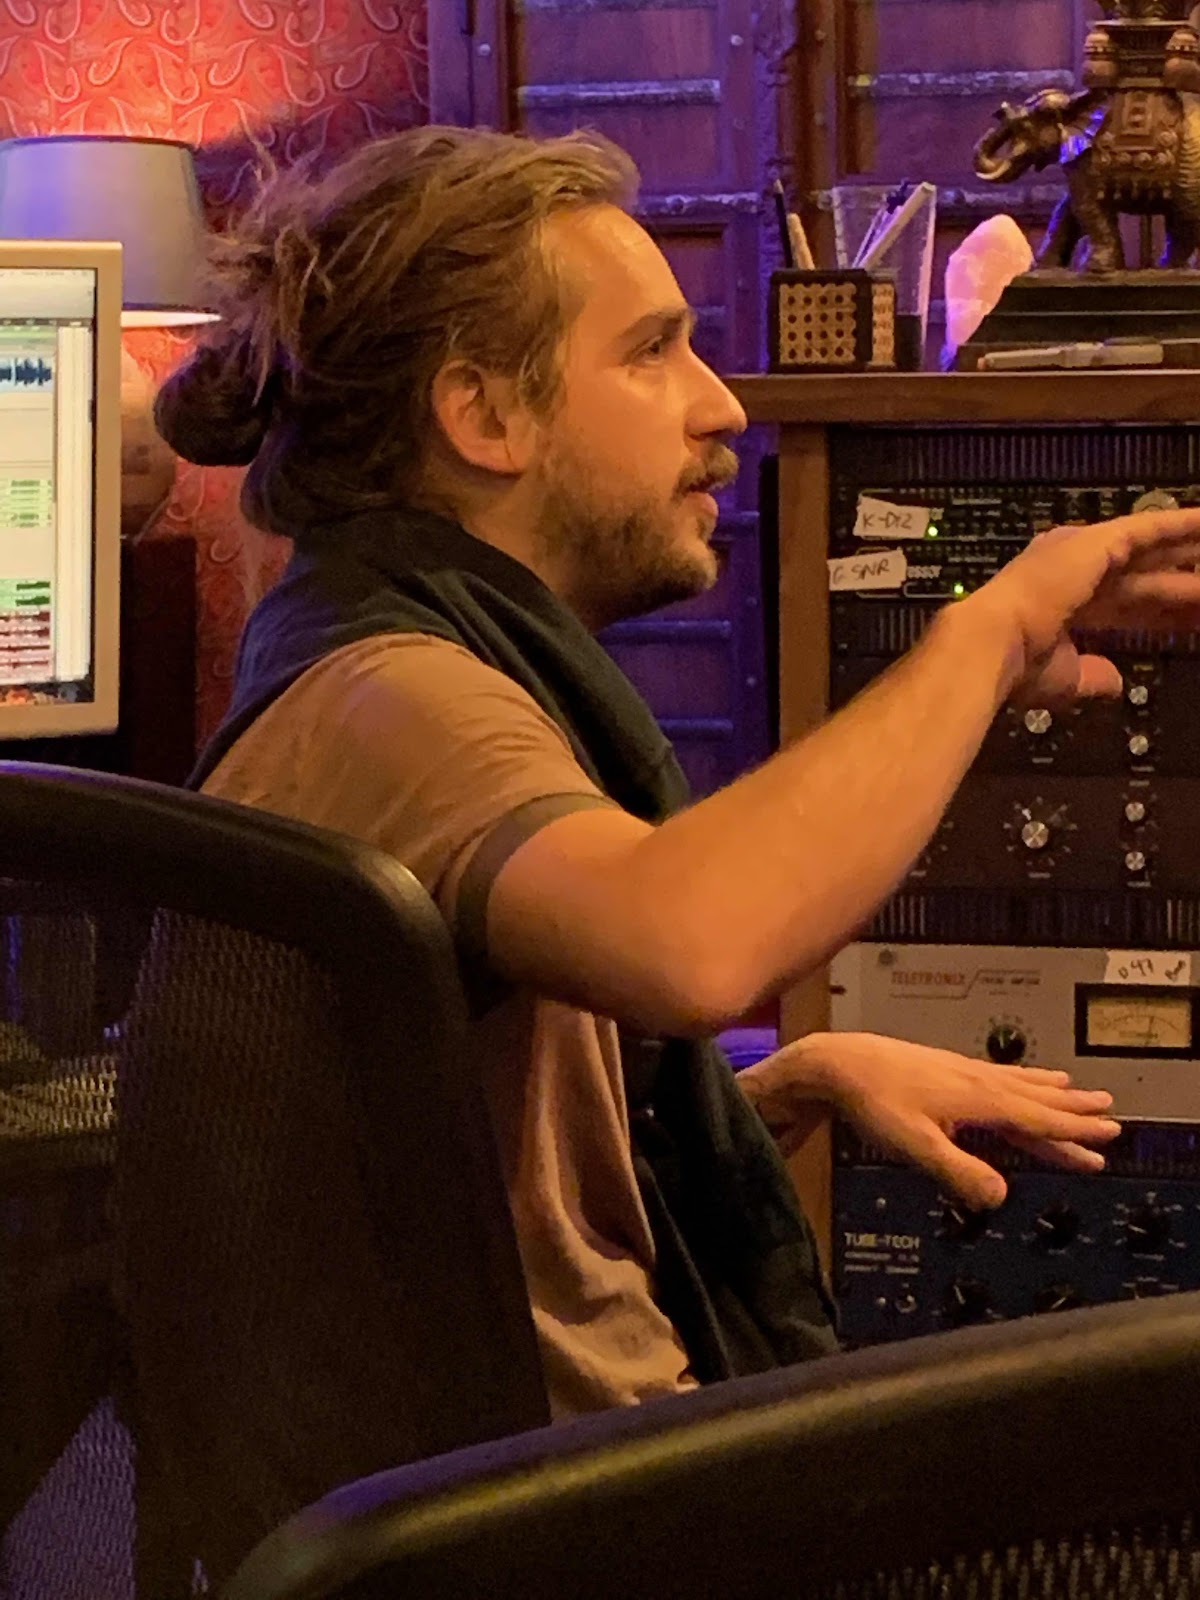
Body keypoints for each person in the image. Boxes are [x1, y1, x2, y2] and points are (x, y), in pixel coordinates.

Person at [155, 126, 1200, 1419]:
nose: (724, 406)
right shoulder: (400, 700)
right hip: (556, 1508)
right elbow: (690, 947)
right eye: (652, 352)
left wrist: (790, 1084)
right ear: (484, 414)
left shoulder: (394, 651)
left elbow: (481, 1182)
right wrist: (983, 636)